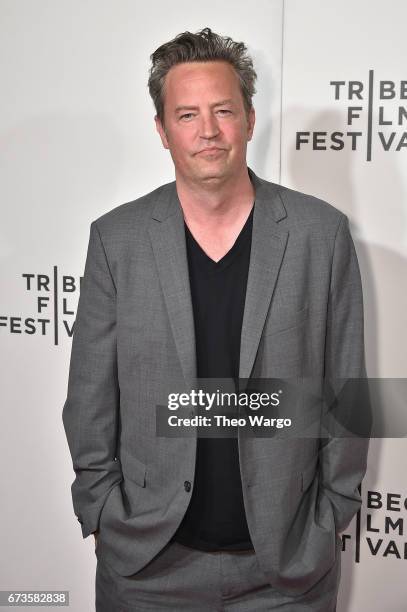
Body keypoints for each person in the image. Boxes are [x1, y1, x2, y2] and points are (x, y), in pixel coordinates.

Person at [62, 27, 370, 611]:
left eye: (223, 110)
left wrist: (332, 515)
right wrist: (101, 508)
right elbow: (90, 396)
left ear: (250, 119)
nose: (208, 130)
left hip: (286, 570)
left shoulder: (319, 234)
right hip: (148, 568)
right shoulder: (117, 240)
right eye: (186, 115)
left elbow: (348, 390)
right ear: (161, 130)